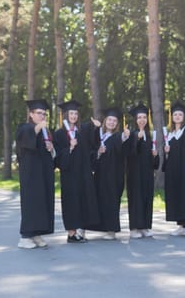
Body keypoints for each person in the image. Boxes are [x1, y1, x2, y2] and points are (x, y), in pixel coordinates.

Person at [53, 100, 100, 243]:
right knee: (71, 202)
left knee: (84, 200)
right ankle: (71, 233)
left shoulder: (82, 132)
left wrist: (97, 128)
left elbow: (93, 145)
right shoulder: (60, 134)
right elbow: (58, 158)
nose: (73, 116)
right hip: (69, 175)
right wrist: (70, 148)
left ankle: (80, 231)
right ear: (66, 115)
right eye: (71, 113)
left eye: (75, 113)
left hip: (83, 173)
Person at [15, 99, 56, 249]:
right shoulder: (24, 128)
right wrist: (38, 127)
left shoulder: (45, 131)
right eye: (39, 113)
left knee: (42, 202)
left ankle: (36, 233)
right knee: (31, 203)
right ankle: (25, 236)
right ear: (31, 114)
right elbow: (25, 141)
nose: (42, 116)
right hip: (30, 174)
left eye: (44, 114)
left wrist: (51, 148)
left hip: (43, 174)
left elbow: (50, 153)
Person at [88, 107, 130, 240]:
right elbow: (92, 155)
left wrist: (125, 136)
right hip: (100, 175)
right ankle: (102, 228)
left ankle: (111, 230)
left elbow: (121, 143)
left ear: (117, 124)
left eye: (115, 121)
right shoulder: (99, 136)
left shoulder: (117, 136)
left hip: (114, 176)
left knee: (112, 201)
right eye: (110, 120)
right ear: (105, 121)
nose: (112, 122)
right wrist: (98, 153)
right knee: (100, 200)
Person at [126, 103, 160, 239]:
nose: (142, 119)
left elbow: (154, 164)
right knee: (136, 199)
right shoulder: (132, 134)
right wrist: (137, 140)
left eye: (144, 117)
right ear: (135, 119)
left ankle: (145, 226)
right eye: (139, 117)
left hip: (147, 174)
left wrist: (155, 155)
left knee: (147, 198)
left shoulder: (149, 135)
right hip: (134, 174)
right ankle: (134, 228)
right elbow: (131, 153)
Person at [162, 102, 185, 238]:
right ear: (172, 117)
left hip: (184, 169)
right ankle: (180, 226)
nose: (177, 116)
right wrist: (166, 152)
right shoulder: (169, 134)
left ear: (184, 117)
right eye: (175, 114)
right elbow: (168, 156)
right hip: (171, 170)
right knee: (174, 195)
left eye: (180, 114)